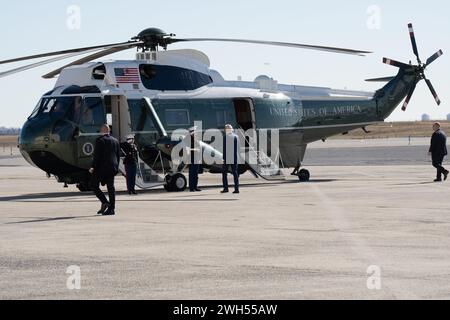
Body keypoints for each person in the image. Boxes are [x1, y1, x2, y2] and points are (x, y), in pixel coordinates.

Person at [89, 124, 120, 215]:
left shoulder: (99, 140)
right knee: (111, 188)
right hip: (112, 167)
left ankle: (105, 202)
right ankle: (112, 209)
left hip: (101, 168)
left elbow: (97, 156)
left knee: (93, 185)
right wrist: (116, 167)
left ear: (101, 131)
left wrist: (93, 167)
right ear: (109, 130)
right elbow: (118, 156)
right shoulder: (115, 141)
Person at [221, 124, 240, 194]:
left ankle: (226, 188)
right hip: (235, 157)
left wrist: (223, 158)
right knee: (235, 173)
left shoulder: (225, 137)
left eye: (226, 128)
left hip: (227, 158)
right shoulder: (236, 136)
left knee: (224, 173)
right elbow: (239, 148)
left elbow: (225, 149)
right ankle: (237, 189)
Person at [186, 126, 202, 192]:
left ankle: (195, 187)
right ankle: (191, 188)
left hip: (196, 158)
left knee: (196, 174)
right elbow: (187, 149)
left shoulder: (196, 139)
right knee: (192, 174)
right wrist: (195, 149)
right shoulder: (188, 140)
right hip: (191, 158)